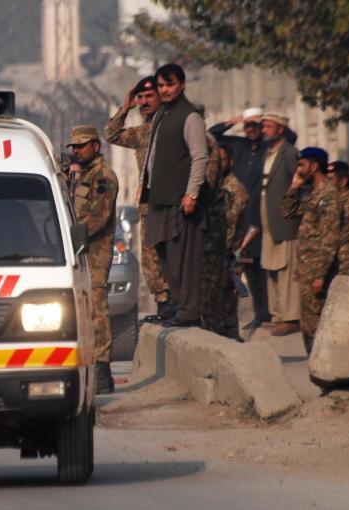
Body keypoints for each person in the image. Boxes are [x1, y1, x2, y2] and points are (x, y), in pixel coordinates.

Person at [209, 108, 298, 329]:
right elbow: (212, 135)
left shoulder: (270, 148)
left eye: (256, 126)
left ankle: (270, 313)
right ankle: (260, 314)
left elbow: (292, 138)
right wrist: (234, 120)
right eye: (248, 127)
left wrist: (267, 120)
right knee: (245, 266)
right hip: (240, 215)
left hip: (261, 215)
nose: (252, 130)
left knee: (264, 264)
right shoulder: (238, 146)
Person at [103, 76, 175, 323]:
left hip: (172, 203)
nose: (144, 102)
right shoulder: (142, 133)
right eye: (140, 98)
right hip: (148, 205)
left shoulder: (170, 125)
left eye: (149, 97)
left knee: (172, 253)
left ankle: (178, 302)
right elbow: (111, 135)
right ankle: (164, 304)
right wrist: (125, 108)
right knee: (150, 255)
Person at [142, 63, 208, 328]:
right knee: (166, 256)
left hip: (181, 201)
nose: (165, 90)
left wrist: (192, 193)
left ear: (181, 85)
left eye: (169, 85)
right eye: (161, 85)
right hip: (159, 197)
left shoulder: (189, 116)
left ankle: (189, 311)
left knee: (184, 259)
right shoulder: (162, 115)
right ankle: (179, 306)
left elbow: (200, 157)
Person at [67, 125, 119, 394]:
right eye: (73, 147)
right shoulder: (76, 176)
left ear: (95, 147)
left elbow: (99, 217)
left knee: (97, 309)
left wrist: (72, 235)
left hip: (95, 252)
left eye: (81, 146)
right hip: (75, 252)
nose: (76, 151)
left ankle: (101, 369)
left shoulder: (103, 177)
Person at [280, 148, 340, 354]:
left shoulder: (328, 197)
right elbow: (287, 212)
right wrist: (293, 188)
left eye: (302, 165)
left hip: (317, 272)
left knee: (318, 325)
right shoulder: (312, 195)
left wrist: (320, 276)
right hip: (306, 271)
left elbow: (329, 239)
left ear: (314, 167)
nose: (298, 170)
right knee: (308, 325)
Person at [258, 113, 302, 336]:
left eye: (268, 126)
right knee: (271, 268)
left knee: (286, 271)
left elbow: (300, 186)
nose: (264, 130)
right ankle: (276, 316)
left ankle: (291, 317)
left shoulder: (290, 153)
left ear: (280, 129)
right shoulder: (267, 153)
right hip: (268, 223)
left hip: (285, 223)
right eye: (263, 126)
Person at [200, 143, 248, 339]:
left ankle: (231, 342)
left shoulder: (235, 189)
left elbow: (230, 224)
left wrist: (224, 254)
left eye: (223, 160)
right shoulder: (214, 186)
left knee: (226, 304)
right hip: (212, 254)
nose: (219, 164)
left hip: (228, 254)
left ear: (231, 162)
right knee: (211, 304)